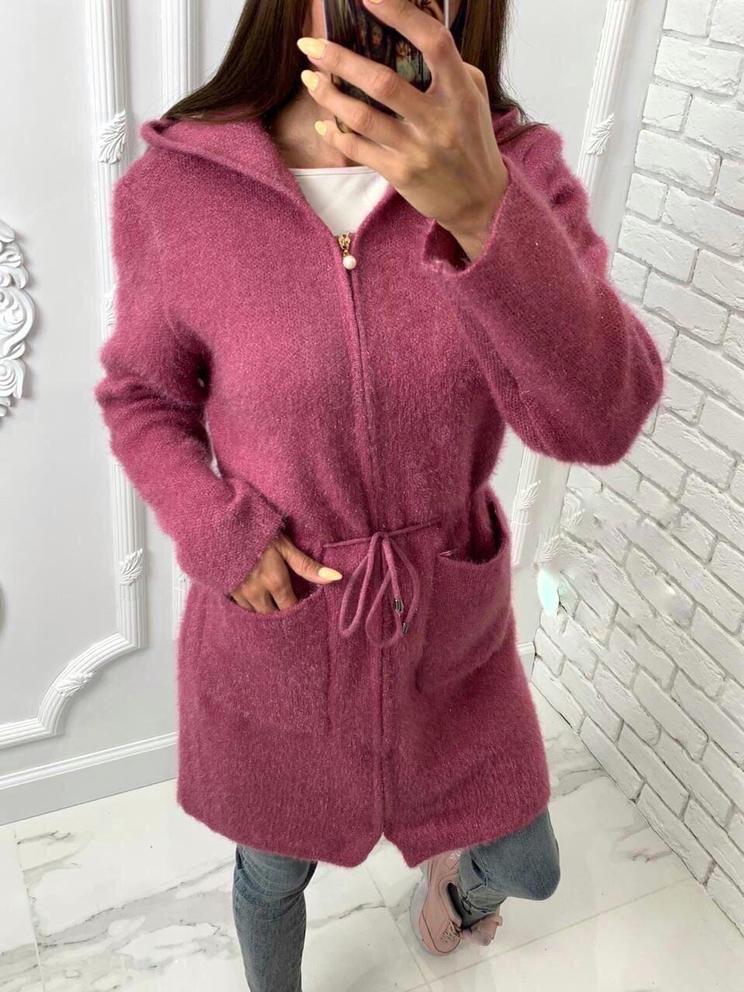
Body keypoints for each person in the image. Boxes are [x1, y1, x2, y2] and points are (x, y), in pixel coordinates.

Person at [93, 0, 666, 987]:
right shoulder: (179, 187)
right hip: (288, 638)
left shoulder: (516, 173)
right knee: (272, 877)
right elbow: (142, 396)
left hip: (446, 638)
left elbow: (600, 420)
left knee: (529, 863)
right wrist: (222, 533)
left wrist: (483, 212)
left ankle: (454, 892)